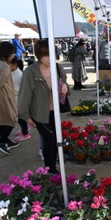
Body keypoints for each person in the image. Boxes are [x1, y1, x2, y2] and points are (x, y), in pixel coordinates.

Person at [18, 39, 69, 174]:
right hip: (39, 112)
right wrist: (25, 116)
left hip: (55, 110)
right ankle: (51, 169)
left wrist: (65, 87)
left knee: (55, 139)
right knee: (50, 139)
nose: (49, 58)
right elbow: (24, 95)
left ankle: (52, 165)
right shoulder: (30, 72)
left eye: (51, 54)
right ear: (38, 55)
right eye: (45, 55)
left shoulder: (58, 68)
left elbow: (64, 84)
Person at [0, 42, 20, 155]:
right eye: (11, 54)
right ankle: (2, 140)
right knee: (11, 119)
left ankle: (4, 139)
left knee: (4, 119)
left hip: (4, 96)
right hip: (5, 97)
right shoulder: (5, 66)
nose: (13, 56)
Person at [9, 57, 31, 142]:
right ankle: (24, 128)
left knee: (19, 117)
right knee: (19, 117)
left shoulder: (19, 74)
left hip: (18, 99)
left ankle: (25, 133)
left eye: (9, 65)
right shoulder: (13, 72)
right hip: (15, 98)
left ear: (14, 65)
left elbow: (23, 89)